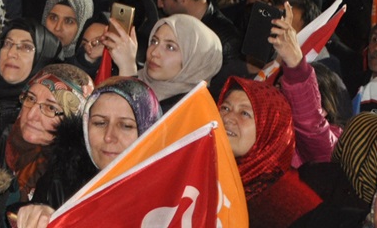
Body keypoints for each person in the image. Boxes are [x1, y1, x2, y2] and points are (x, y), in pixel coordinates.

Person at [13, 77, 162, 226]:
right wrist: (35, 214)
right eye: (100, 123)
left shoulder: (173, 192)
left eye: (126, 126)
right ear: (86, 127)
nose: (109, 137)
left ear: (149, 131)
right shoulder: (60, 180)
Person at [219, 77, 323, 227]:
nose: (228, 118)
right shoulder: (208, 169)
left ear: (270, 128)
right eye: (225, 108)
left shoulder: (288, 204)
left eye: (244, 113)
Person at [3, 64, 94, 204]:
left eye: (51, 108)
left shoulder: (72, 183)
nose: (32, 114)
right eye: (30, 99)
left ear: (73, 121)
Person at [0, 19, 60, 155]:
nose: (11, 53)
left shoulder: (38, 118)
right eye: (7, 44)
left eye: (26, 47)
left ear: (41, 57)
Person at [107, 14, 223, 112]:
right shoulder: (141, 78)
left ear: (195, 62)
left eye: (170, 47)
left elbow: (132, 127)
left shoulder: (194, 111)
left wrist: (128, 71)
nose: (154, 52)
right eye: (154, 41)